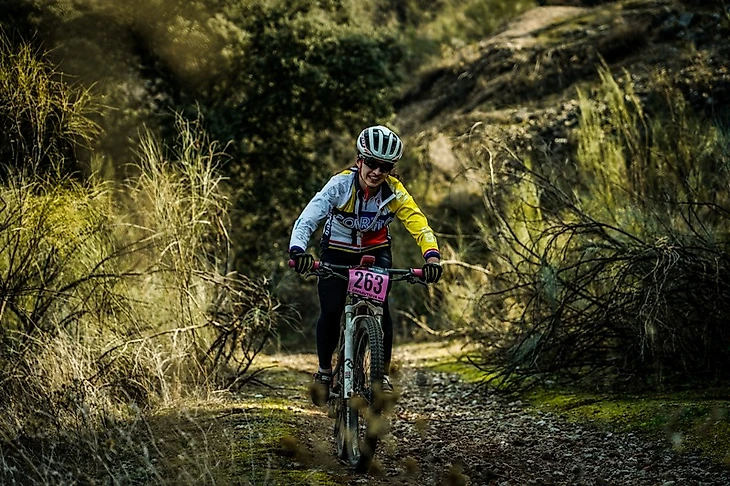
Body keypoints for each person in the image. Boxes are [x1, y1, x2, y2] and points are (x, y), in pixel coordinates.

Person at [288, 125, 443, 406]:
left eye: (385, 167)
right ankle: (324, 371)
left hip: (376, 250)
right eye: (371, 163)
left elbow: (419, 224)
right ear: (359, 160)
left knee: (381, 309)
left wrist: (431, 255)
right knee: (332, 310)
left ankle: (380, 374)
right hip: (336, 250)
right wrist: (298, 251)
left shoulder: (394, 192)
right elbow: (309, 218)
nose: (376, 172)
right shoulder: (340, 185)